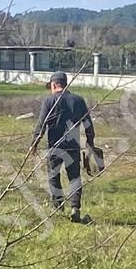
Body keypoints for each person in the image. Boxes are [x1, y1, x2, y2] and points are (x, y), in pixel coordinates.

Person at [28, 71, 96, 222]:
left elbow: (41, 125)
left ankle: (58, 208)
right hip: (73, 146)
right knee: (74, 177)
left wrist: (34, 144)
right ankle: (75, 208)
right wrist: (90, 142)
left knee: (53, 176)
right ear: (65, 84)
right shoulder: (78, 100)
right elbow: (88, 124)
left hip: (54, 146)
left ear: (53, 85)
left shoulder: (49, 101)